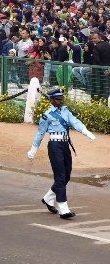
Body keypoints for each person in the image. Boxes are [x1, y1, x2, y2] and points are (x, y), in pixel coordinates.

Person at [27, 88, 95, 219]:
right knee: (60, 176)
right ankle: (63, 209)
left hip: (65, 145)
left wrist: (86, 132)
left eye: (61, 98)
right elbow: (40, 133)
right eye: (58, 99)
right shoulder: (47, 115)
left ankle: (48, 198)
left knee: (66, 176)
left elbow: (75, 122)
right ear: (52, 100)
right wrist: (33, 150)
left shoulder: (65, 111)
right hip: (54, 145)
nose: (61, 101)